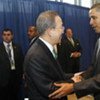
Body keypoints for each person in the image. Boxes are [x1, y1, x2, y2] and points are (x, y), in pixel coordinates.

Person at [49, 3, 100, 100]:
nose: (90, 22)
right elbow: (94, 67)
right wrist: (81, 77)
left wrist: (73, 87)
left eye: (94, 18)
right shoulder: (98, 41)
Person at [24, 10, 76, 100]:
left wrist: (74, 75)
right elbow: (50, 90)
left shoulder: (46, 49)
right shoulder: (35, 56)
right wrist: (74, 83)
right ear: (50, 31)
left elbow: (58, 76)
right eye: (61, 27)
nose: (63, 31)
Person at [0, 28, 24, 100]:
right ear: (2, 36)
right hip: (3, 79)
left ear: (12, 36)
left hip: (15, 77)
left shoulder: (18, 47)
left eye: (8, 35)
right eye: (4, 35)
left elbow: (21, 62)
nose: (6, 36)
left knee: (14, 97)